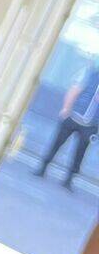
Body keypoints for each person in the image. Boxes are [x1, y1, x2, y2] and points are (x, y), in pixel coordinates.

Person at [37, 59, 99, 188]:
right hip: (73, 116)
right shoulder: (90, 73)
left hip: (90, 125)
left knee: (80, 153)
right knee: (57, 143)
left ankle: (69, 180)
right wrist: (66, 109)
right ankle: (43, 168)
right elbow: (74, 90)